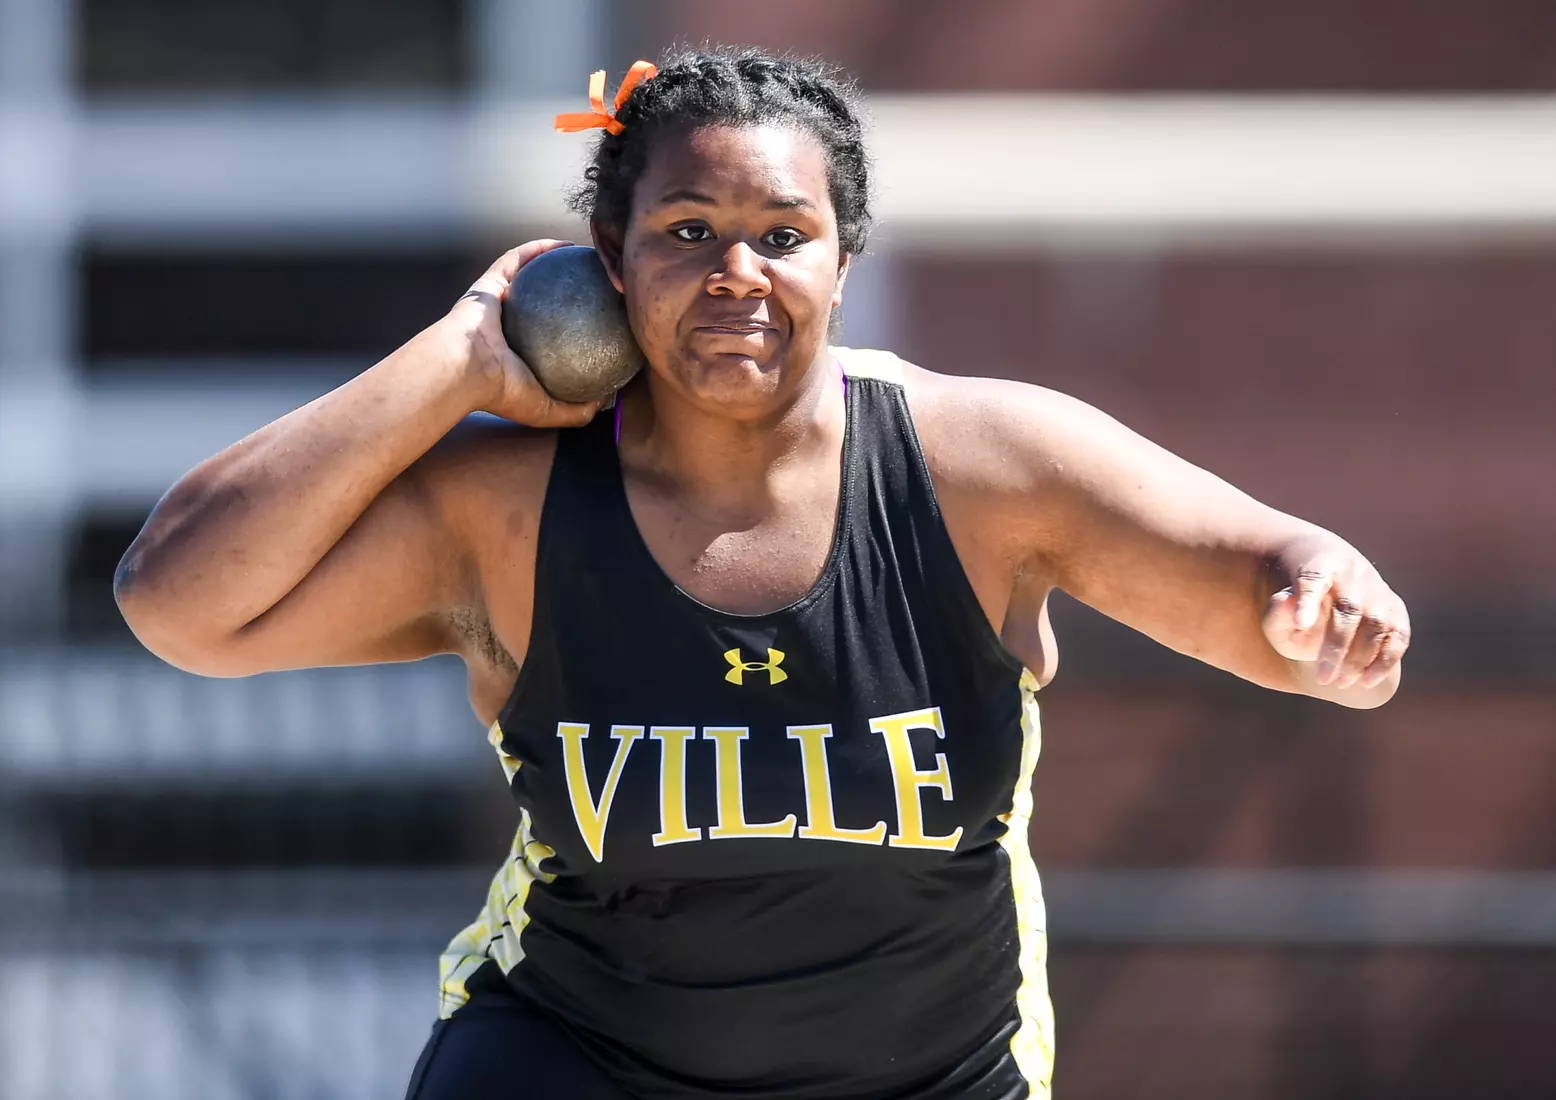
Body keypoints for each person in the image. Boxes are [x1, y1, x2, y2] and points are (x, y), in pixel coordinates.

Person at [115, 46, 1410, 1100]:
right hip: (579, 1057)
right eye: (687, 230)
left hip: (927, 1073)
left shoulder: (982, 467)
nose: (737, 272)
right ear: (606, 265)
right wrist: (458, 355)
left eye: (782, 233)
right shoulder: (508, 508)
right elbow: (177, 604)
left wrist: (1330, 607)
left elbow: (1264, 581)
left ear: (843, 266)